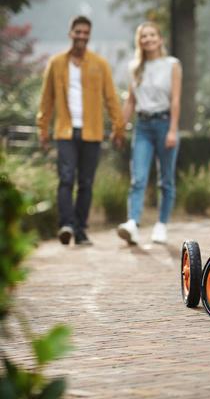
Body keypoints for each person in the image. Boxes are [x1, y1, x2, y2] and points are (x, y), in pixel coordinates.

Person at [37, 15, 125, 246]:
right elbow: (46, 99)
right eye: (78, 32)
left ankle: (81, 230)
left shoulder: (100, 64)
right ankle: (66, 225)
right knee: (66, 179)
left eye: (86, 32)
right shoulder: (56, 63)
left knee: (85, 182)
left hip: (92, 132)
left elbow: (111, 99)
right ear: (71, 33)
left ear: (89, 35)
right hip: (65, 131)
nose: (82, 36)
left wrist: (118, 128)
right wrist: (42, 129)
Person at [117, 22, 181, 246]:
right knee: (138, 178)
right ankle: (132, 224)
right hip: (142, 126)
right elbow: (130, 102)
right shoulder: (135, 67)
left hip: (165, 124)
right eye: (143, 36)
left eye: (152, 35)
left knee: (166, 180)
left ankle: (161, 225)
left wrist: (173, 129)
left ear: (160, 38)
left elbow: (175, 100)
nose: (148, 39)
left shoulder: (172, 64)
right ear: (139, 41)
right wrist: (119, 127)